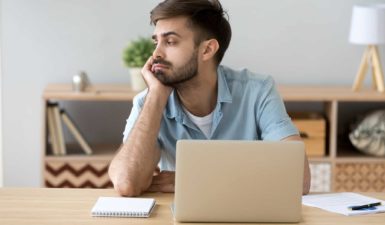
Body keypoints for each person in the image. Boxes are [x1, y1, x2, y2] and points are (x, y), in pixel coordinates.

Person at [108, 0, 311, 197]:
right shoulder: (149, 102)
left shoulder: (257, 91)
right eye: (156, 41)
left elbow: (298, 179)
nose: (156, 54)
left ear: (207, 49)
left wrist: (193, 179)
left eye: (170, 42)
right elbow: (127, 183)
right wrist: (156, 97)